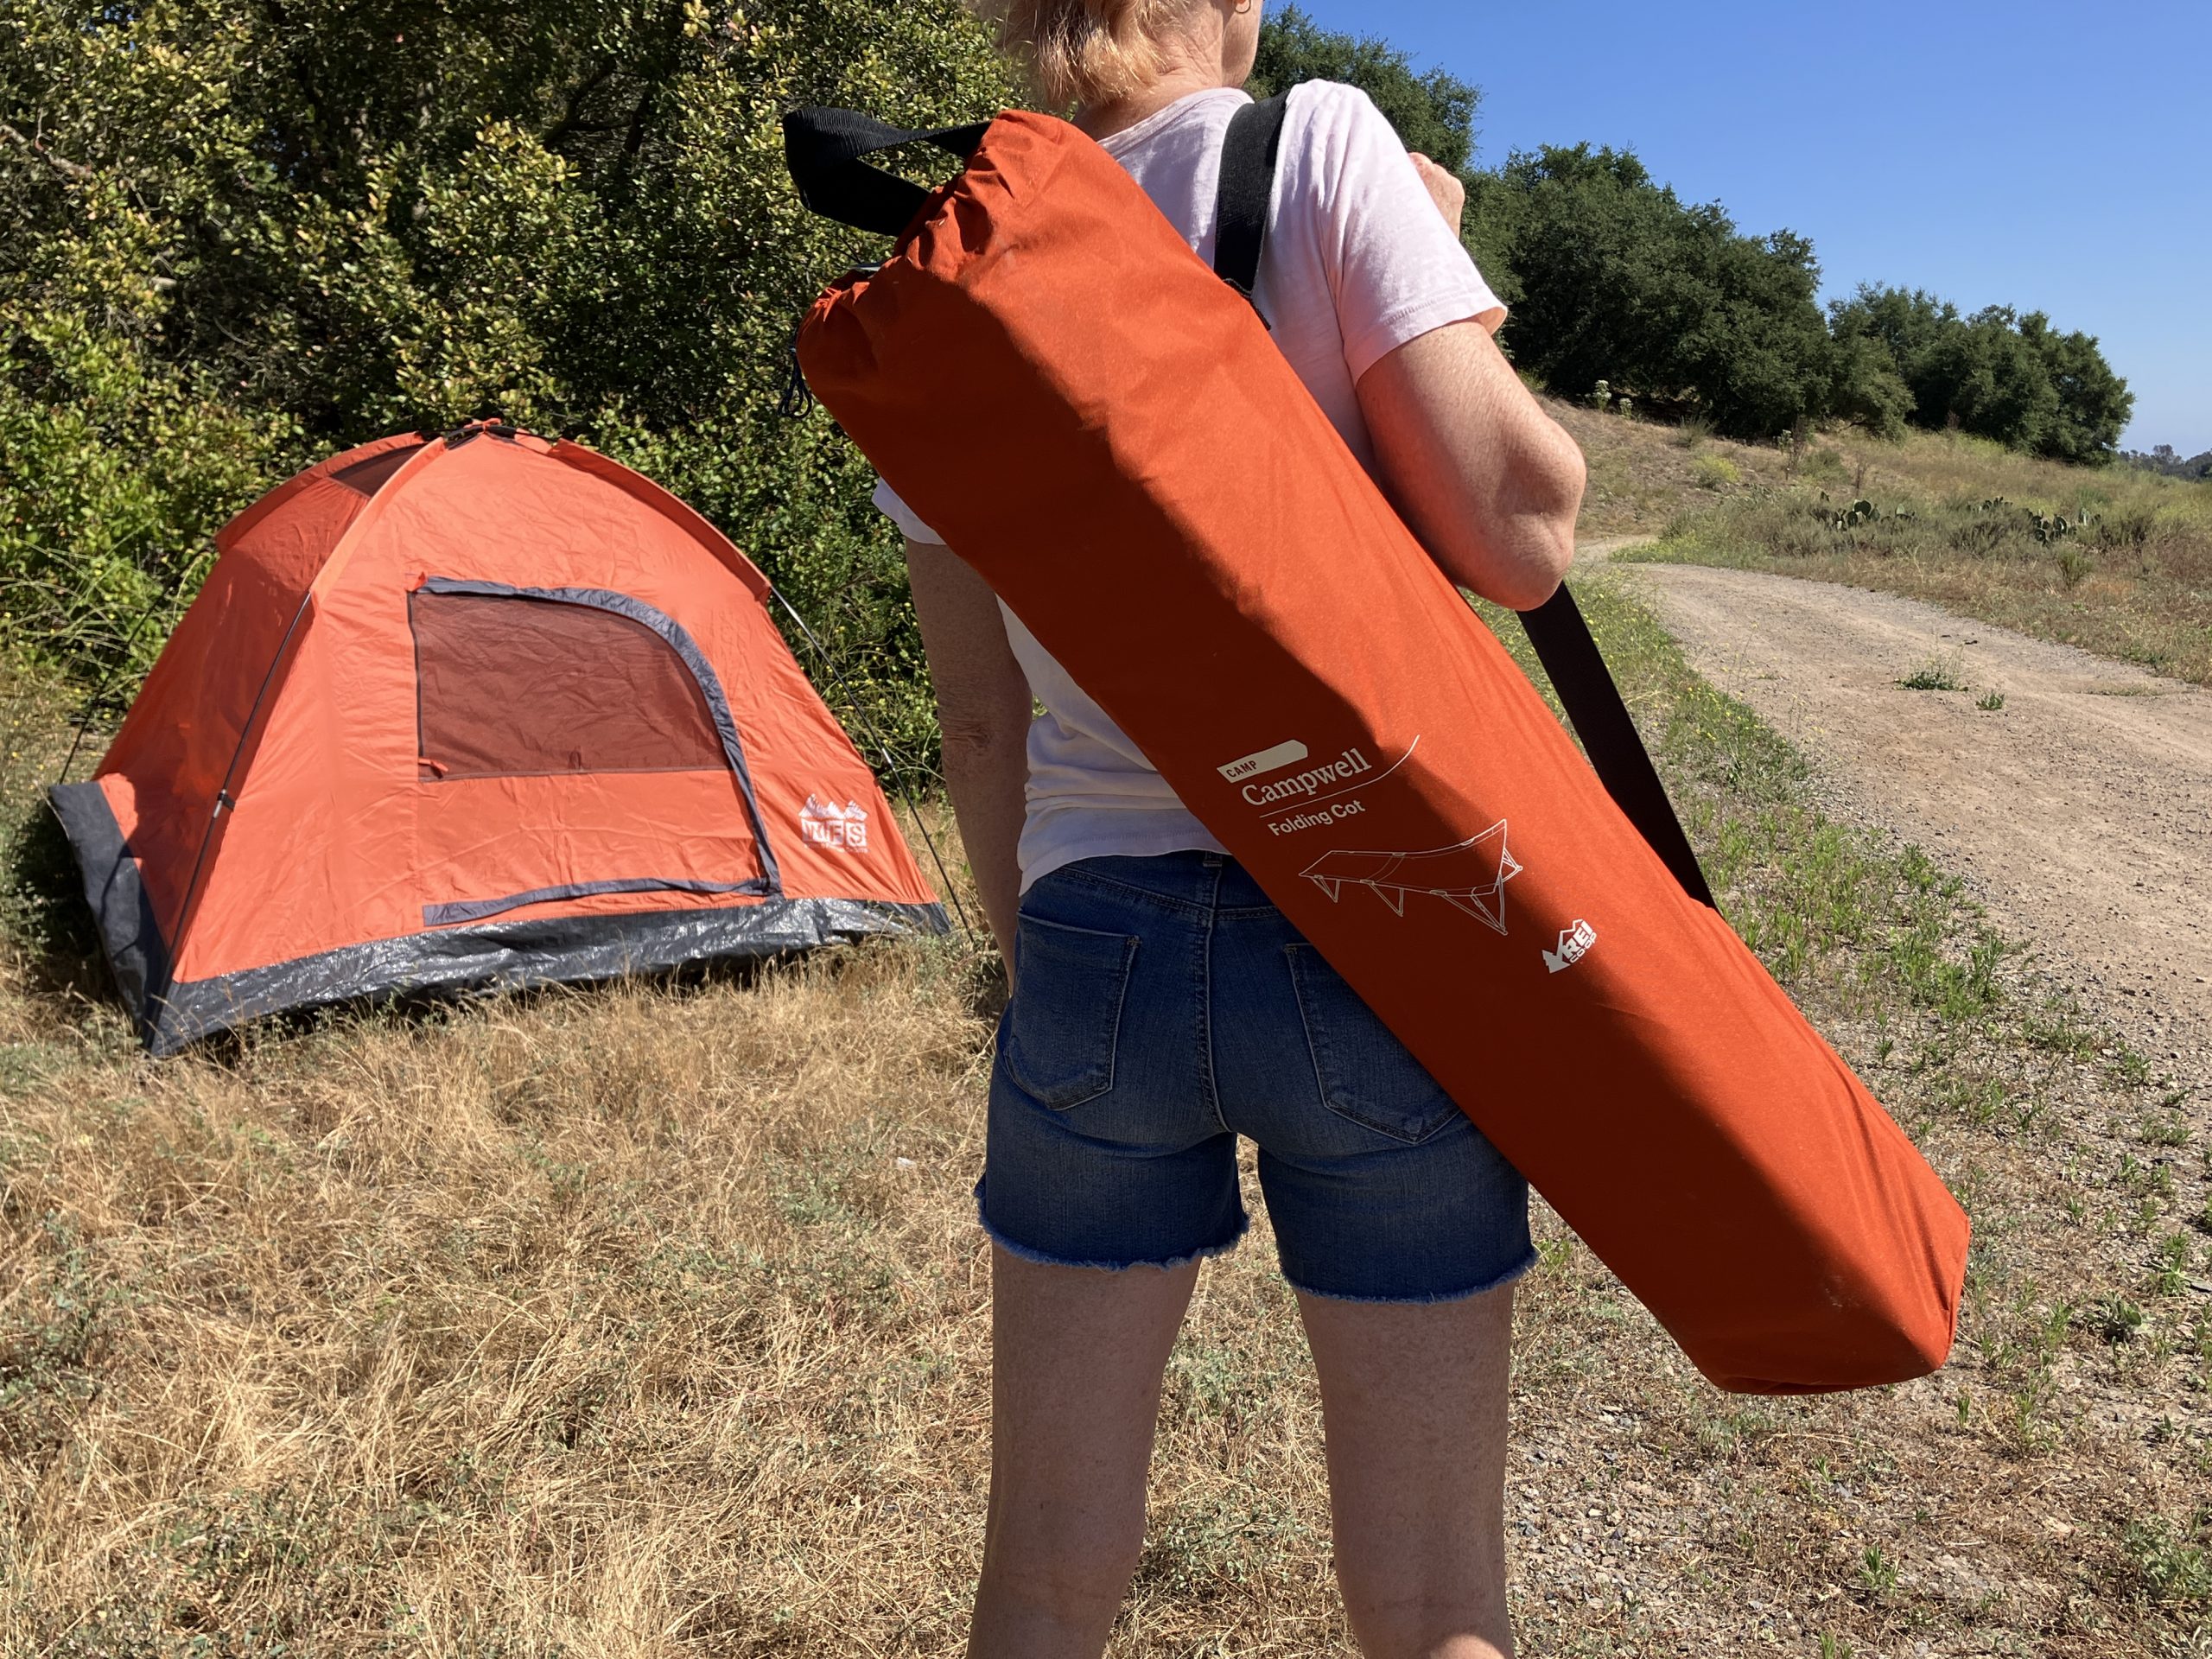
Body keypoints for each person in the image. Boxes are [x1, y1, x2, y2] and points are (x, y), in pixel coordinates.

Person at [878, 3, 1586, 1654]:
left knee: (1045, 1566)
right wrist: (1426, 258)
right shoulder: (1321, 148)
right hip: (1380, 921)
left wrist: (1034, 958)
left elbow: (981, 719)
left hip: (1092, 939)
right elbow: (1525, 526)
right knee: (1429, 1596)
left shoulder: (947, 282)